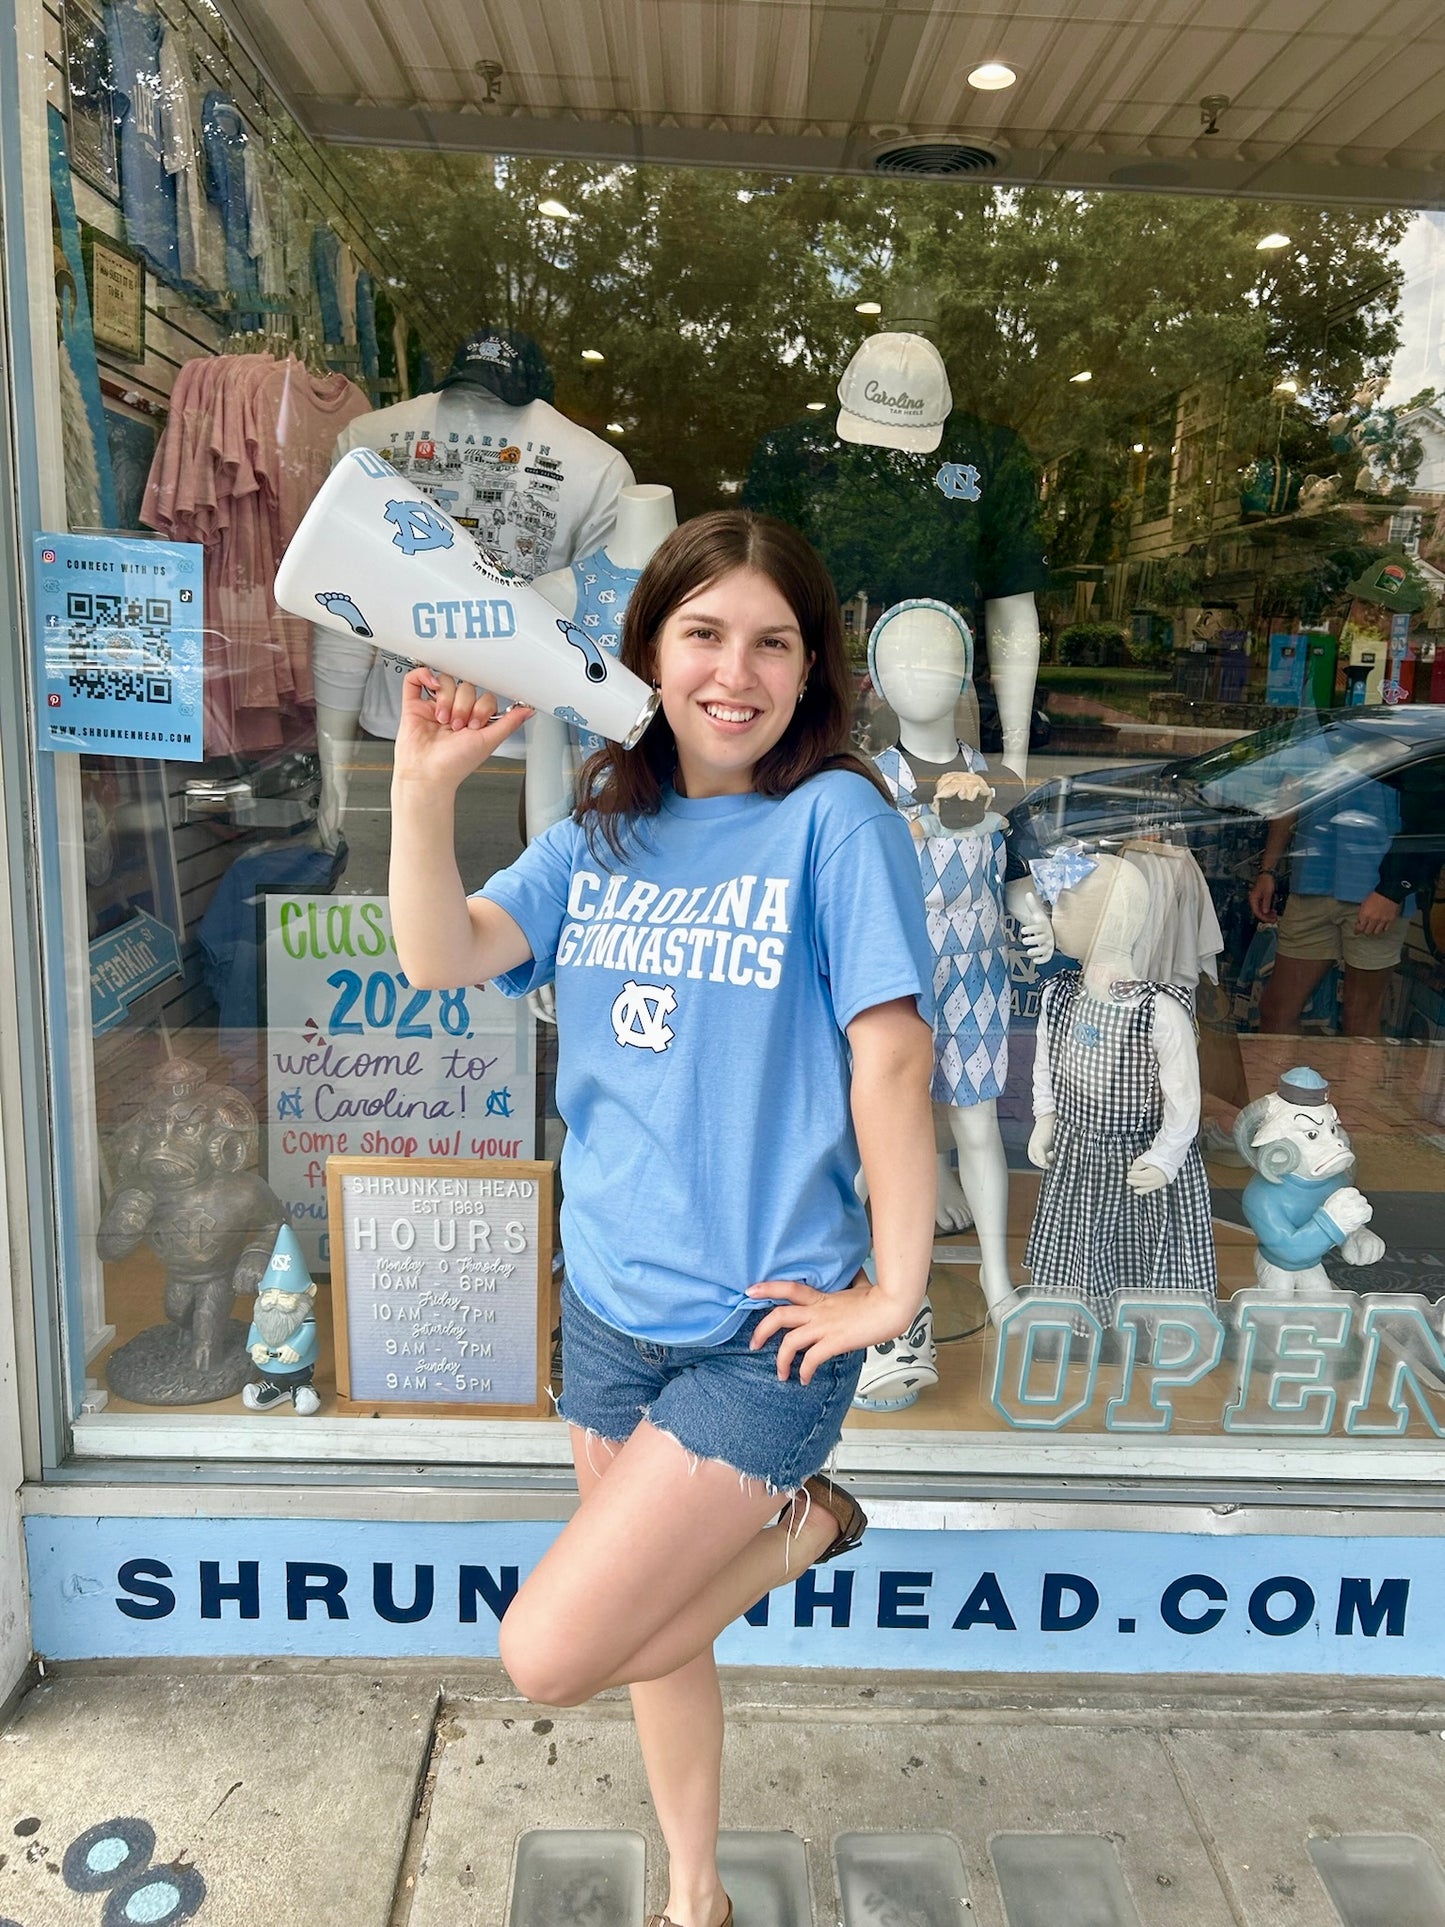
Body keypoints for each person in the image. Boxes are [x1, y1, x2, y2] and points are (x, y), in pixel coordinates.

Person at [388, 510, 937, 1927]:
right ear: (648, 653)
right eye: (702, 635)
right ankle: (696, 1895)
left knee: (554, 1654)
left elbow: (890, 1055)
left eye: (771, 643)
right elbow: (443, 956)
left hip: (763, 1334)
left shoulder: (836, 822)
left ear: (812, 669)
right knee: (656, 1627)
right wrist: (423, 790)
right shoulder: (600, 835)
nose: (734, 674)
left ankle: (807, 1522)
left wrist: (894, 1290)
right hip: (610, 1312)